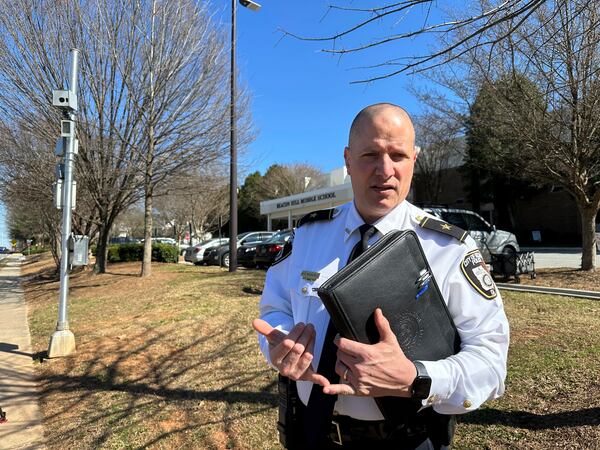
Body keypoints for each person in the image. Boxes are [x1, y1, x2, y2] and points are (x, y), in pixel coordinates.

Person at [253, 103, 509, 449]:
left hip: (409, 439)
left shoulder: (449, 249)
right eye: (370, 154)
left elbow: (491, 362)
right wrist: (280, 347)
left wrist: (415, 378)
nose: (384, 169)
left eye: (398, 155)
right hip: (312, 432)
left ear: (414, 161)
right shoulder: (308, 236)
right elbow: (275, 310)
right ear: (347, 159)